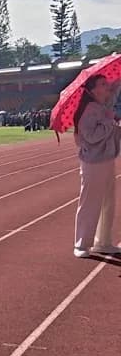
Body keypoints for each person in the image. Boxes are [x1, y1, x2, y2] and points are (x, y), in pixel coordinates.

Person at [73, 73, 121, 257]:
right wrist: (110, 121)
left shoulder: (100, 106)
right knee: (90, 203)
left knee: (108, 202)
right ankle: (81, 244)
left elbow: (113, 95)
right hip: (93, 162)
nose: (107, 85)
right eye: (103, 84)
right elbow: (92, 136)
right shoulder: (89, 110)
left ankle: (104, 241)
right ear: (93, 90)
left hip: (107, 159)